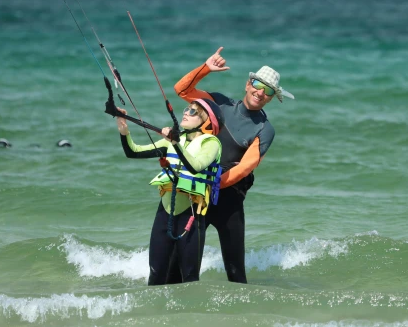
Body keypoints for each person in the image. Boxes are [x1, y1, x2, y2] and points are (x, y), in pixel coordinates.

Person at [172, 47, 294, 283]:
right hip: (198, 195)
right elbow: (182, 90)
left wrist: (214, 185)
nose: (261, 92)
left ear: (271, 97)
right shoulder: (219, 103)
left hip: (230, 201)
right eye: (258, 85)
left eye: (268, 91)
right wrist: (205, 69)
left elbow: (244, 168)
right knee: (184, 268)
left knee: (236, 272)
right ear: (248, 84)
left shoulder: (265, 129)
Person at [116, 98, 223, 285]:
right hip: (165, 213)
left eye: (193, 112)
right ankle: (154, 314)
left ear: (206, 121)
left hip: (191, 215)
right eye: (186, 109)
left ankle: (189, 314)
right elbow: (133, 152)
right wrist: (124, 129)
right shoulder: (175, 140)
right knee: (156, 274)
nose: (186, 113)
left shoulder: (211, 143)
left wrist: (175, 143)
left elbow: (196, 166)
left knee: (189, 277)